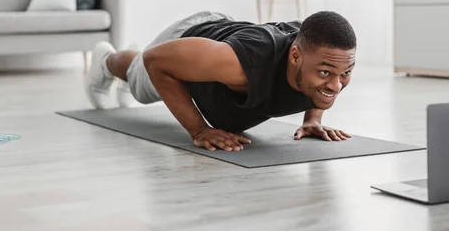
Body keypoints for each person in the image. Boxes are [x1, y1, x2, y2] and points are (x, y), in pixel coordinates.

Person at [85, 10, 357, 152]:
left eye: (346, 73)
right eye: (325, 74)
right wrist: (198, 130)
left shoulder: (320, 56)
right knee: (140, 86)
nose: (336, 85)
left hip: (226, 39)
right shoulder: (242, 64)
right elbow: (156, 60)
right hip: (189, 36)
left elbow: (321, 57)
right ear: (295, 57)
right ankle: (106, 60)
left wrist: (313, 119)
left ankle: (131, 59)